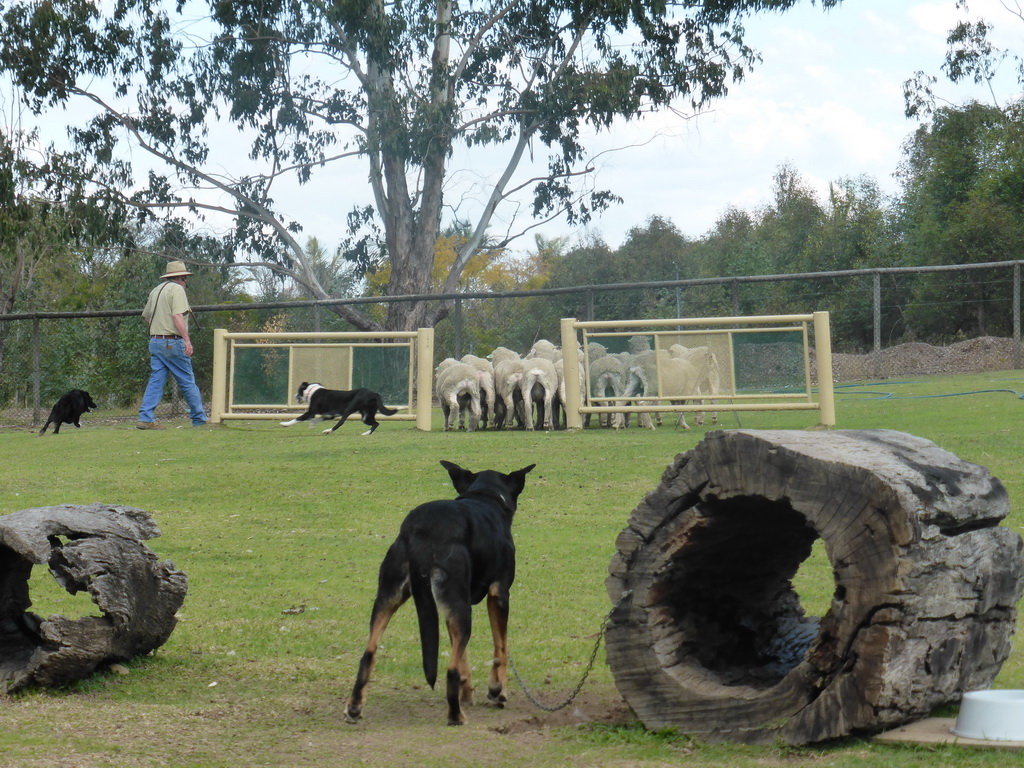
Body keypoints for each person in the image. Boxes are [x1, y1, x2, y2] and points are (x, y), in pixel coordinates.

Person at [137, 260, 208, 429]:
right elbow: (177, 316)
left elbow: (147, 317)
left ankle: (145, 417)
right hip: (172, 342)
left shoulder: (156, 290)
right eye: (185, 279)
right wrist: (187, 340)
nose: (185, 283)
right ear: (181, 277)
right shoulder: (177, 290)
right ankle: (199, 418)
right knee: (187, 380)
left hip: (155, 341)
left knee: (156, 380)